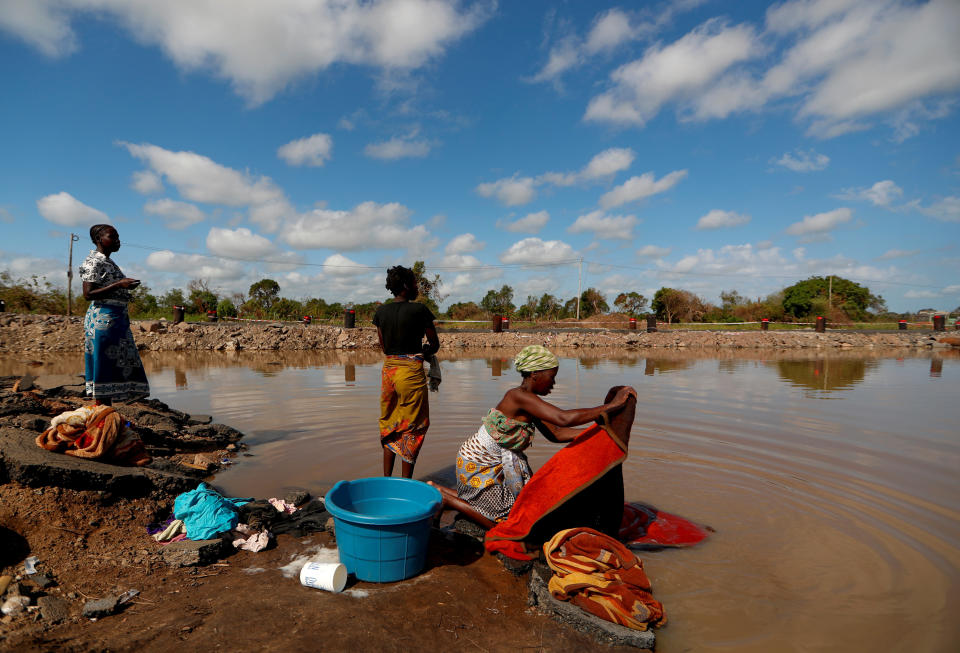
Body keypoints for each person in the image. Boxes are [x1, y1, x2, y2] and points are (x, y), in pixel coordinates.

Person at [430, 345, 636, 529]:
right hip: (478, 464)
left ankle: (438, 489)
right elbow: (563, 419)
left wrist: (597, 435)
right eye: (551, 377)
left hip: (488, 462)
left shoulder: (529, 401)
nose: (553, 383)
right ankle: (447, 500)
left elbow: (556, 433)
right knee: (508, 521)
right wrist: (611, 406)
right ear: (535, 374)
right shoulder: (518, 396)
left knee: (521, 506)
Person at [372, 265, 440, 478]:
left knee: (390, 423)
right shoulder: (419, 310)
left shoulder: (381, 311)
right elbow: (434, 343)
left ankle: (386, 480)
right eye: (414, 283)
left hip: (389, 372)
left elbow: (384, 347)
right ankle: (406, 483)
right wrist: (426, 352)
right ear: (405, 286)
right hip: (410, 373)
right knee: (413, 426)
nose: (416, 287)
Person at [79, 224, 150, 404]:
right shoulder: (93, 261)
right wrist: (119, 284)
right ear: (98, 239)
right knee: (104, 364)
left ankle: (106, 411)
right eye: (113, 237)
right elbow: (88, 294)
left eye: (118, 237)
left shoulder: (107, 262)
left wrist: (123, 285)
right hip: (103, 320)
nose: (117, 241)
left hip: (116, 321)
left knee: (116, 363)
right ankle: (102, 414)